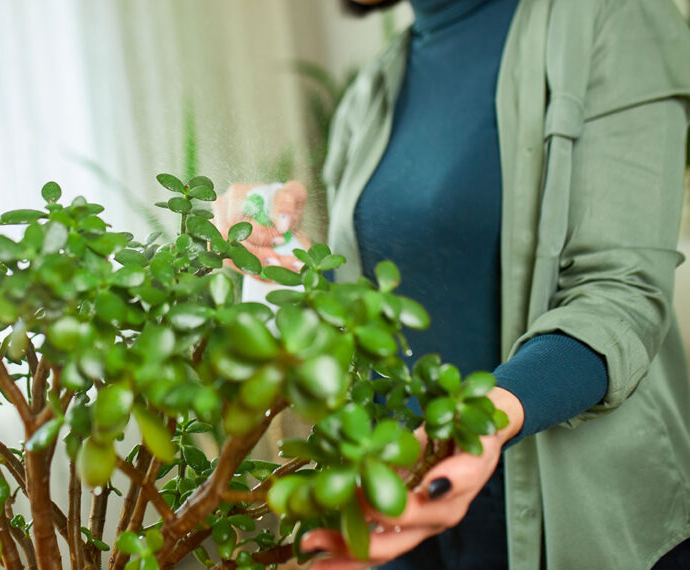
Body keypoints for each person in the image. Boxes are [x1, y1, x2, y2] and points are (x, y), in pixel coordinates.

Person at [288, 0, 690, 569]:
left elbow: (621, 293)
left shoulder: (613, 19)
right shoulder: (375, 87)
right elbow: (368, 316)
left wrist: (478, 425)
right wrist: (283, 262)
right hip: (410, 530)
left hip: (579, 530)